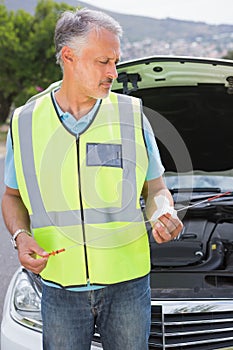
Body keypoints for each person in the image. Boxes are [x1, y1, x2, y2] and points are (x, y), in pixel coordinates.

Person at [1, 8, 183, 350]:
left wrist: (162, 212)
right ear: (69, 57)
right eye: (104, 62)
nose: (114, 72)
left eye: (115, 61)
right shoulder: (25, 123)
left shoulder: (131, 116)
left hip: (127, 285)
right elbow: (12, 196)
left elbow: (156, 188)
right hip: (59, 287)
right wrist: (21, 236)